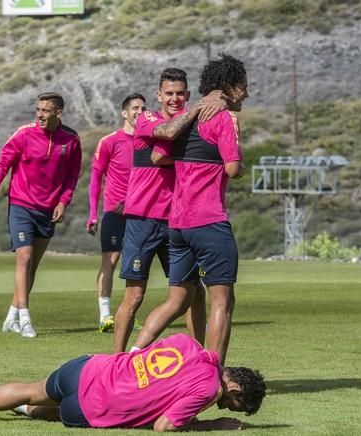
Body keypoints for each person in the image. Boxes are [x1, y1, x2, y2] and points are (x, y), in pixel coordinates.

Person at [131, 54, 248, 365]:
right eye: (243, 87)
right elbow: (234, 169)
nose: (246, 94)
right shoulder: (223, 118)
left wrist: (191, 161)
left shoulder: (185, 121)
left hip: (178, 224)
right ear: (229, 87)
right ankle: (213, 374)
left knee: (176, 301)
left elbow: (158, 157)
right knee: (222, 302)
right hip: (209, 221)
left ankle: (129, 358)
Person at [0, 333, 266, 431]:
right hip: (91, 408)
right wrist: (212, 425)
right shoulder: (210, 388)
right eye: (237, 404)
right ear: (234, 388)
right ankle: (24, 409)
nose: (229, 405)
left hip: (87, 367)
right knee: (54, 411)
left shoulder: (187, 342)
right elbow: (164, 426)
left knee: (34, 389)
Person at [114, 68, 225, 353]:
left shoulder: (193, 121)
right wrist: (201, 107)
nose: (174, 98)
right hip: (143, 217)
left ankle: (198, 356)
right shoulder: (147, 118)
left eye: (180, 94)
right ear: (158, 95)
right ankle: (115, 360)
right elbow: (167, 136)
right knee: (135, 295)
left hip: (177, 220)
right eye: (169, 93)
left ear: (187, 94)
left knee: (193, 293)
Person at [0, 92, 82, 338]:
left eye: (45, 111)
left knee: (32, 267)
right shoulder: (24, 134)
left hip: (48, 210)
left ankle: (11, 316)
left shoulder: (71, 140)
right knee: (24, 258)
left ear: (58, 113)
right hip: (21, 205)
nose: (39, 115)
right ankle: (25, 319)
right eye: (38, 109)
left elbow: (72, 175)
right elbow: (2, 164)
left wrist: (63, 202)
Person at [87, 93, 146, 333]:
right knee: (110, 261)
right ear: (124, 113)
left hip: (141, 212)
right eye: (135, 108)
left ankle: (127, 314)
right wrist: (93, 213)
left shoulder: (147, 141)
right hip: (115, 213)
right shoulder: (110, 142)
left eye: (143, 107)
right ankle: (105, 315)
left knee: (136, 264)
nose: (139, 111)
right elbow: (95, 178)